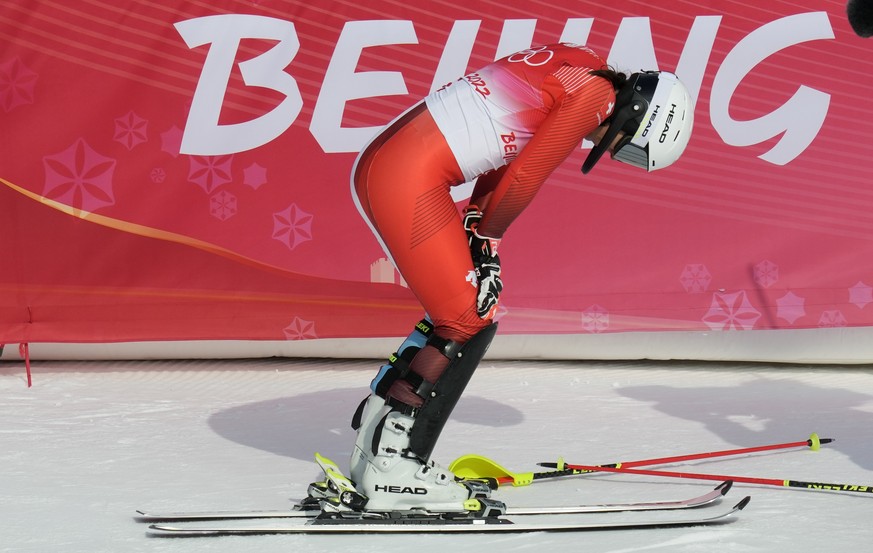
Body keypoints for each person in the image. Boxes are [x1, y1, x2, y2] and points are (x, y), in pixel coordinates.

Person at [345, 42, 694, 514]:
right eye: (630, 151)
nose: (612, 153)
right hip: (405, 177)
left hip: (398, 166)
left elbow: (509, 151)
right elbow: (528, 173)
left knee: (465, 312)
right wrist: (488, 237)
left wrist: (481, 234)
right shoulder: (596, 97)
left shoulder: (581, 65)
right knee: (466, 316)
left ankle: (381, 433)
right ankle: (393, 466)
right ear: (638, 116)